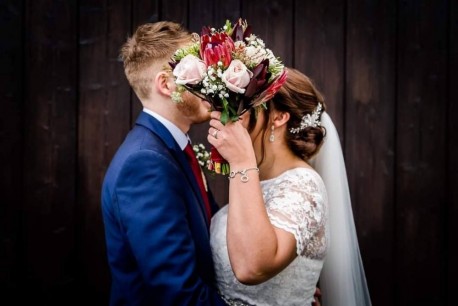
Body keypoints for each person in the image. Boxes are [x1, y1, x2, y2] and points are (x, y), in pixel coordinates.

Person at [207, 68, 372, 305]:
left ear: (279, 117)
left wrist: (241, 161)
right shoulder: (255, 181)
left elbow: (251, 267)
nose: (230, 117)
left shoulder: (304, 186)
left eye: (243, 106)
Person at [101, 21, 227, 305]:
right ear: (167, 84)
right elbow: (179, 293)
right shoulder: (145, 163)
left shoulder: (171, 148)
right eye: (198, 72)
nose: (209, 82)